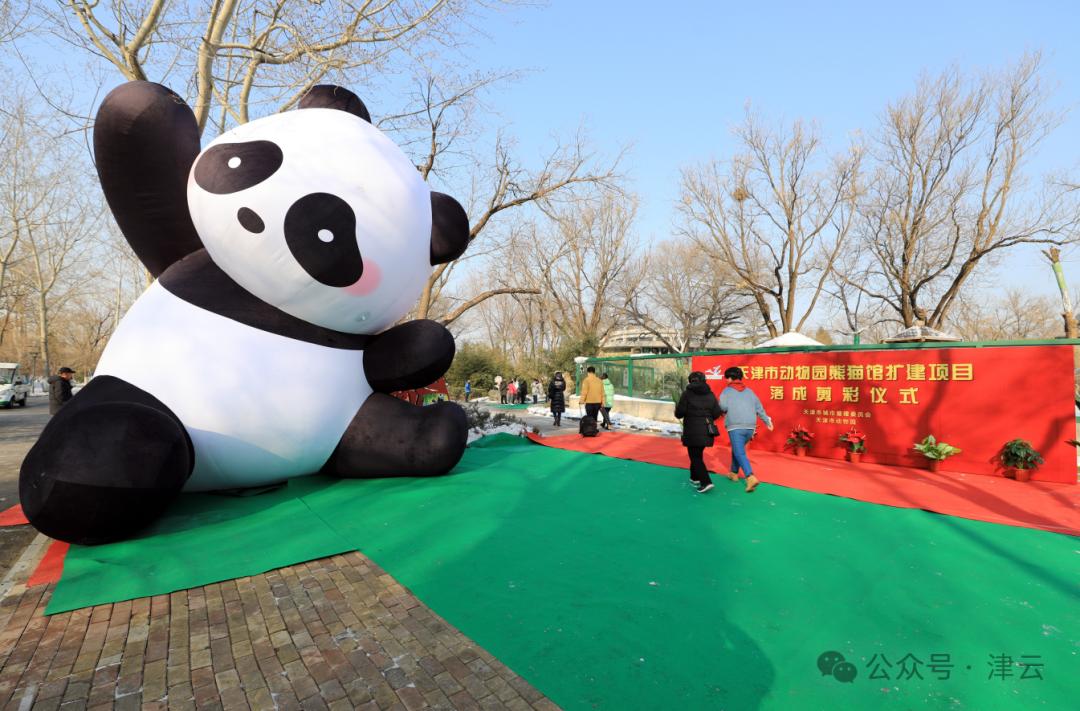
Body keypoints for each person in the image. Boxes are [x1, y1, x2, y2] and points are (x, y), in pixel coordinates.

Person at [718, 366, 773, 493]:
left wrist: (721, 410)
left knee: (739, 452)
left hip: (735, 426)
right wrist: (767, 421)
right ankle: (733, 472)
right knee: (737, 450)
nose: (726, 380)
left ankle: (750, 476)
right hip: (750, 427)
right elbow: (759, 408)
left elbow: (723, 406)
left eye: (727, 378)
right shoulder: (750, 392)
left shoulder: (726, 391)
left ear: (731, 378)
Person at [674, 371, 723, 492]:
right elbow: (717, 413)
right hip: (706, 430)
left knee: (695, 457)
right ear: (704, 380)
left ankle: (706, 482)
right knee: (697, 454)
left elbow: (679, 413)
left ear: (691, 381)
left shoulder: (687, 394)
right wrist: (707, 417)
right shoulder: (710, 394)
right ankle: (694, 477)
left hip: (692, 430)